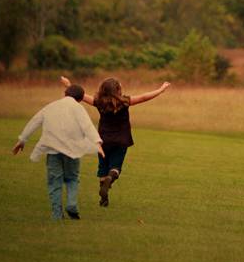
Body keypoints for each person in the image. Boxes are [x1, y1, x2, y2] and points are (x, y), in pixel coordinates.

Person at [61, 76, 170, 207]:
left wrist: (68, 85)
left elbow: (81, 95)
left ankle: (104, 198)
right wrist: (161, 89)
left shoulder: (99, 102)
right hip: (121, 140)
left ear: (102, 90)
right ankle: (110, 178)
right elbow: (144, 97)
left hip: (103, 140)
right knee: (115, 167)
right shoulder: (125, 102)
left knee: (103, 167)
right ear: (118, 90)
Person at [12, 84, 105, 220]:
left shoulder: (51, 106)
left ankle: (56, 214)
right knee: (72, 178)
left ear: (65, 93)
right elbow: (87, 126)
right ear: (80, 99)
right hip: (72, 151)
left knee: (54, 182)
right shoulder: (78, 108)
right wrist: (98, 143)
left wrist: (22, 140)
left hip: (53, 150)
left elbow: (35, 121)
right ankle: (72, 204)